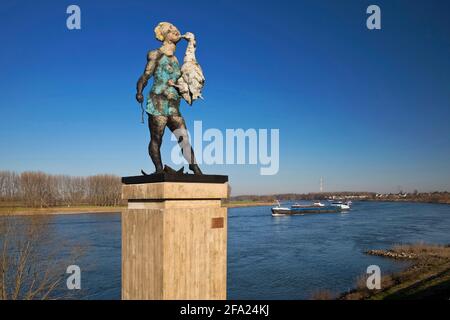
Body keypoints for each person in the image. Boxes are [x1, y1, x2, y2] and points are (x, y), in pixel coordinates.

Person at [135, 22, 202, 175]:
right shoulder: (156, 54)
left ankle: (195, 167)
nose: (177, 32)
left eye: (177, 30)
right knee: (157, 138)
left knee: (183, 137)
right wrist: (139, 91)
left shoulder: (177, 61)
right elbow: (146, 75)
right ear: (165, 36)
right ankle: (159, 169)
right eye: (172, 31)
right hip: (157, 103)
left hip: (173, 106)